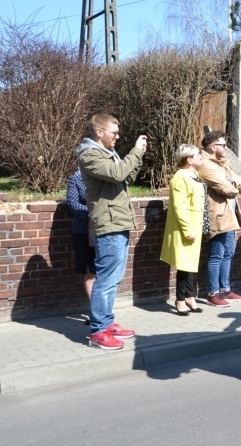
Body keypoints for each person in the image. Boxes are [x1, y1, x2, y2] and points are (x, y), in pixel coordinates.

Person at [77, 113, 147, 350]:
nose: (118, 136)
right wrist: (134, 152)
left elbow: (126, 178)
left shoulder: (109, 154)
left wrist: (138, 157)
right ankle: (98, 331)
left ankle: (107, 323)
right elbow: (117, 173)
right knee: (105, 280)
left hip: (119, 222)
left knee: (114, 279)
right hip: (108, 225)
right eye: (114, 132)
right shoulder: (89, 154)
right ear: (99, 132)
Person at [197, 131, 241, 307]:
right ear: (212, 147)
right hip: (217, 215)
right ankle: (213, 293)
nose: (226, 148)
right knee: (217, 254)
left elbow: (240, 180)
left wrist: (232, 181)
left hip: (229, 215)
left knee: (229, 253)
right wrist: (232, 183)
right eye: (223, 145)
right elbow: (227, 189)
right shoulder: (205, 164)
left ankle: (225, 289)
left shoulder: (222, 163)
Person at [160, 144, 206, 316]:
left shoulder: (194, 174)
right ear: (189, 159)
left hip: (196, 224)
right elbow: (179, 206)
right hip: (185, 227)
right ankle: (180, 300)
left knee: (192, 264)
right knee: (184, 266)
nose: (201, 157)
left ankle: (190, 297)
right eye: (198, 155)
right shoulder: (180, 177)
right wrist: (187, 229)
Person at [66, 169, 95, 324]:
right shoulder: (76, 177)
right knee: (89, 271)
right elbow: (73, 203)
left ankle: (103, 309)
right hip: (83, 230)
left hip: (103, 230)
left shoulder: (103, 174)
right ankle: (95, 310)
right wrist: (93, 213)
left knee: (103, 272)